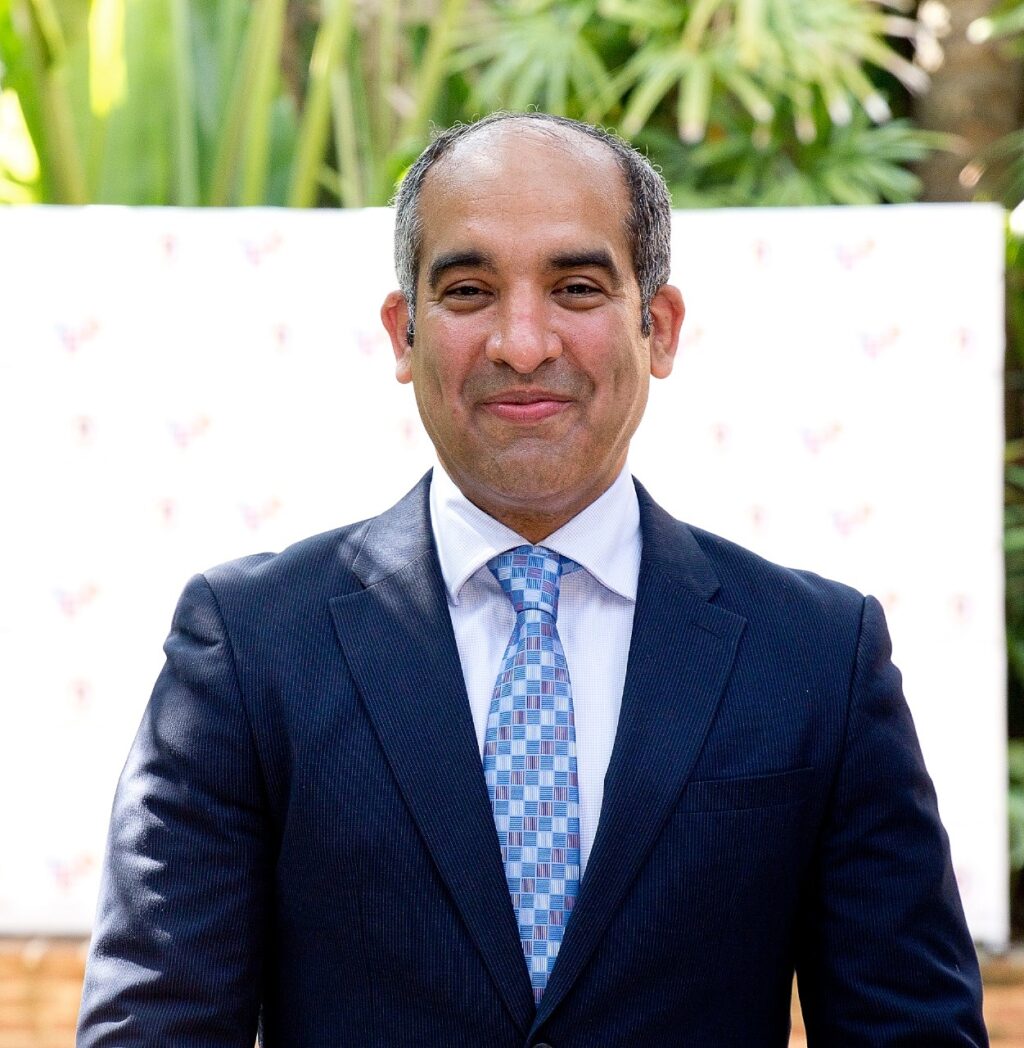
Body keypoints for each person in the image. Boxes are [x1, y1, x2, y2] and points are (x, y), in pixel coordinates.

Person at [77, 112, 988, 1047]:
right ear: (403, 334)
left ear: (658, 328)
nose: (521, 343)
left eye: (577, 288)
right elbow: (157, 1027)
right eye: (469, 290)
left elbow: (912, 1031)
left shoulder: (817, 656)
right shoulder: (248, 647)